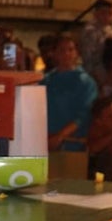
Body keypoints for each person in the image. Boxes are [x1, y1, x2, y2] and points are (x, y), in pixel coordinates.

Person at [41, 32, 98, 180]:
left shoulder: (86, 83)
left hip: (73, 147)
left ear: (76, 53)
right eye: (61, 50)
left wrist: (60, 136)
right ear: (53, 53)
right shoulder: (45, 81)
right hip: (43, 145)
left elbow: (84, 114)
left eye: (70, 49)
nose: (66, 54)